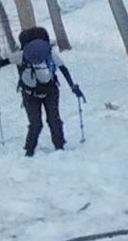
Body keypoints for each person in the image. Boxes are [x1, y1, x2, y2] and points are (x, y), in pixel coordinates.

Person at [15, 27, 82, 157]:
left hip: (29, 93)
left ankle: (29, 150)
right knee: (54, 119)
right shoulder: (48, 52)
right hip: (51, 89)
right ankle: (59, 146)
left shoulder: (22, 55)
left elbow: (19, 72)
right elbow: (63, 68)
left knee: (35, 123)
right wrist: (72, 86)